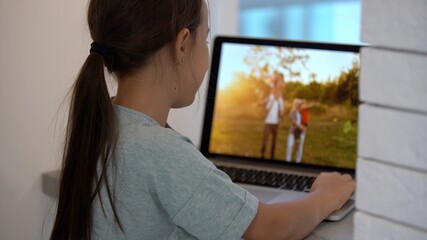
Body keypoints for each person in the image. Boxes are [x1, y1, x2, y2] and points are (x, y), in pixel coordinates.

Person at [50, 0, 355, 239]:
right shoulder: (161, 151)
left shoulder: (104, 124)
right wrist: (327, 195)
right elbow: (272, 229)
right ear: (182, 44)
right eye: (205, 39)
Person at [260, 71, 285, 159]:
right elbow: (269, 81)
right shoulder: (271, 94)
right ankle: (262, 154)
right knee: (265, 139)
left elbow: (281, 109)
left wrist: (282, 116)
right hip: (268, 121)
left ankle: (272, 156)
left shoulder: (280, 98)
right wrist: (262, 103)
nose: (279, 85)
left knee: (274, 141)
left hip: (276, 122)